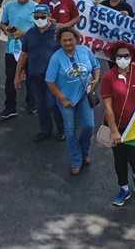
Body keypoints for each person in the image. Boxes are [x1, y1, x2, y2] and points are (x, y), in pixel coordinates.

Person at [45, 26, 100, 176]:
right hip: (67, 99)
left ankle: (84, 151)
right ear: (60, 42)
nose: (68, 43)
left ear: (76, 39)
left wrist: (95, 79)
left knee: (89, 126)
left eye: (70, 39)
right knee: (70, 131)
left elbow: (96, 66)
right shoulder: (56, 58)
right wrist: (62, 99)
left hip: (83, 95)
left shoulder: (85, 51)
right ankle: (76, 159)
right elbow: (50, 81)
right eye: (64, 41)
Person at [102, 41, 135, 205]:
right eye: (119, 56)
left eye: (126, 56)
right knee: (120, 159)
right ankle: (124, 188)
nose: (122, 59)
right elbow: (108, 108)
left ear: (133, 56)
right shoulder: (109, 77)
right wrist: (114, 131)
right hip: (116, 125)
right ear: (114, 57)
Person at [14, 4, 65, 142]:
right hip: (35, 76)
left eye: (42, 17)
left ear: (49, 17)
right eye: (36, 17)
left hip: (54, 78)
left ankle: (61, 129)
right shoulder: (30, 33)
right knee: (41, 104)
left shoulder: (58, 33)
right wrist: (17, 75)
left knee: (53, 104)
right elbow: (24, 55)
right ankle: (45, 130)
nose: (39, 19)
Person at [0, 0, 38, 120]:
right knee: (10, 78)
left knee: (31, 78)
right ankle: (10, 107)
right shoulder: (9, 6)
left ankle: (31, 103)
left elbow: (40, 29)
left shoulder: (36, 7)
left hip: (30, 49)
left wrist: (24, 33)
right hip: (12, 48)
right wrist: (6, 29)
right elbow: (3, 23)